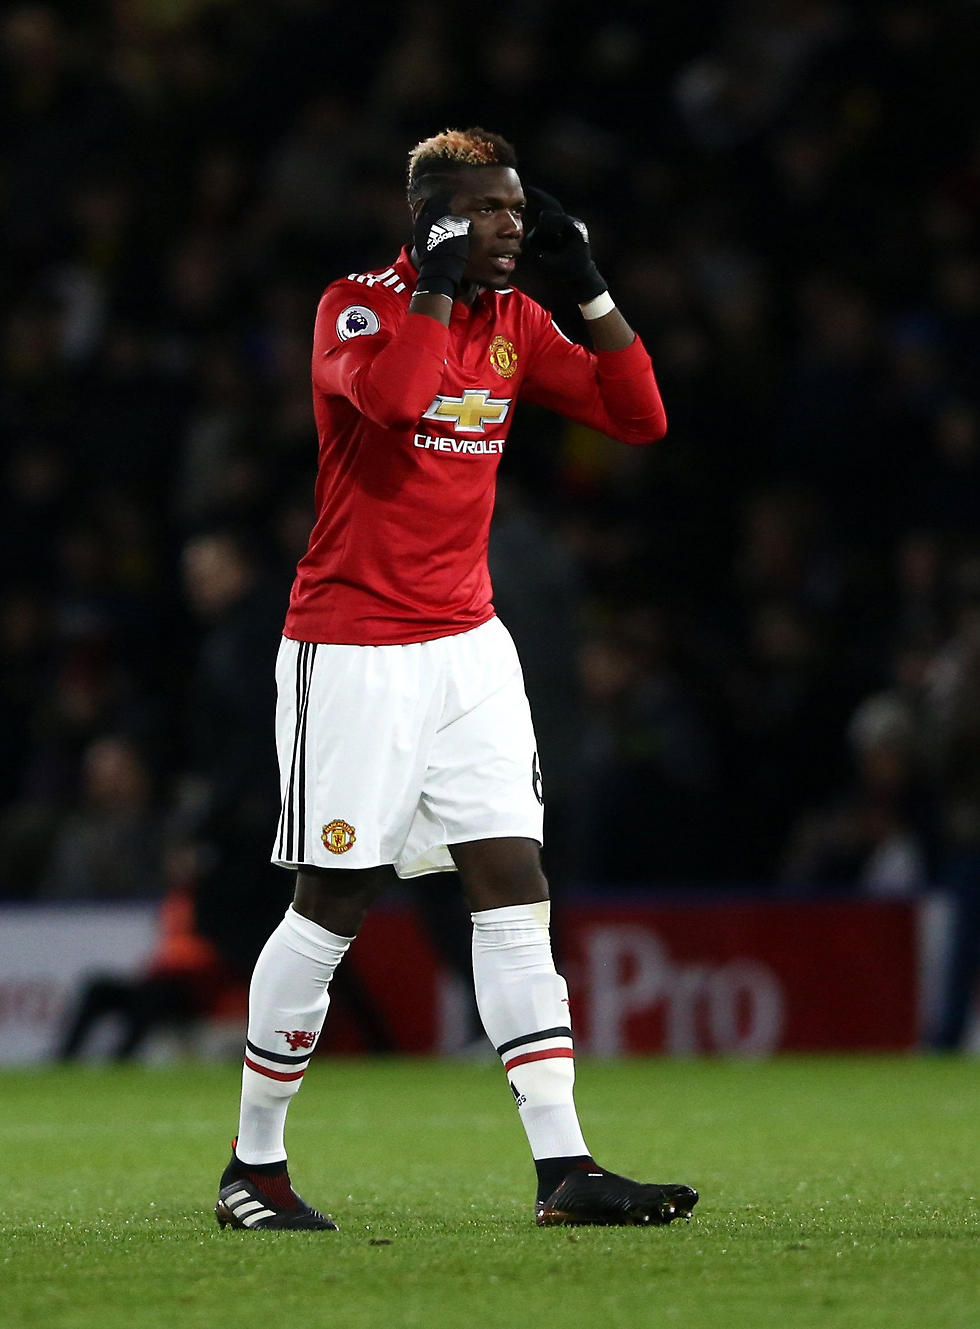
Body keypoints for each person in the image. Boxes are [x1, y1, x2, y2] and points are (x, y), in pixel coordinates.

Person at [214, 127, 698, 1231]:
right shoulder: (356, 306)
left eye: (517, 208)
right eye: (485, 209)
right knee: (333, 899)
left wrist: (588, 289)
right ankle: (255, 1166)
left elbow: (640, 417)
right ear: (431, 219)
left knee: (514, 882)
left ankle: (564, 1166)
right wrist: (433, 284)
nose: (510, 226)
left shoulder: (516, 320)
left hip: (469, 645)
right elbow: (394, 401)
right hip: (353, 648)